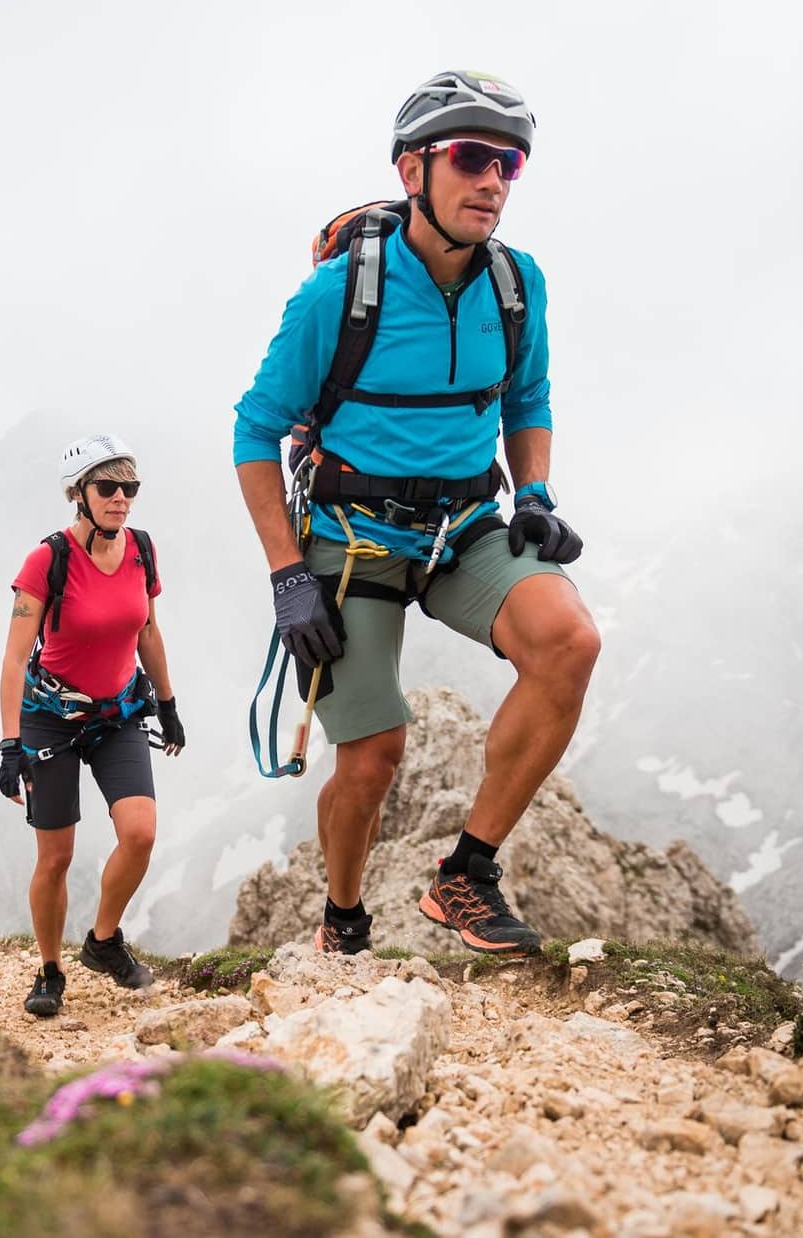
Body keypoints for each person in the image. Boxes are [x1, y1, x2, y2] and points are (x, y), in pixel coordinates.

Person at [232, 70, 601, 957]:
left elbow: (528, 394)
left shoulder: (517, 284)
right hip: (351, 538)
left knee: (569, 643)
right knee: (373, 754)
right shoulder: (340, 293)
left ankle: (465, 877)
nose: (494, 181)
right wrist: (289, 578)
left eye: (509, 162)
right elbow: (255, 430)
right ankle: (344, 919)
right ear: (411, 170)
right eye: (472, 157)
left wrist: (538, 492)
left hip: (464, 527)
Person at [0, 433, 185, 1017]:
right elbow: (12, 658)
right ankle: (50, 970)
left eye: (130, 487)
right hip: (51, 720)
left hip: (118, 715)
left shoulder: (142, 550)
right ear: (77, 494)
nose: (122, 498)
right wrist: (10, 744)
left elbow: (147, 631)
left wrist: (170, 702)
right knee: (55, 857)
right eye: (108, 487)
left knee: (141, 833)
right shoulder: (47, 559)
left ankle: (102, 942)